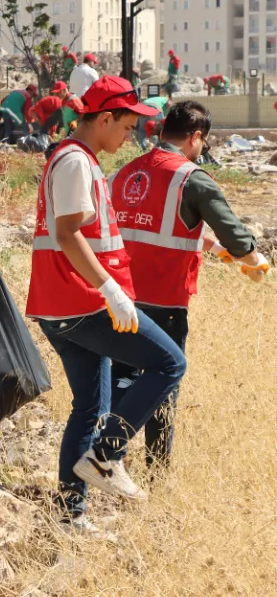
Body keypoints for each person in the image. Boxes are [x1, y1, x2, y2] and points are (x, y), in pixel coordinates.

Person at [25, 76, 188, 531]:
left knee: (88, 407)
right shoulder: (76, 161)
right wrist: (109, 289)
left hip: (62, 304)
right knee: (170, 364)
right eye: (127, 126)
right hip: (82, 302)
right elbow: (67, 233)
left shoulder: (76, 158)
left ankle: (69, 516)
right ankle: (106, 456)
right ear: (105, 118)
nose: (130, 136)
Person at [109, 101, 268, 470]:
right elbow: (237, 237)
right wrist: (253, 261)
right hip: (164, 301)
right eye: (203, 143)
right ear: (196, 137)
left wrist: (211, 248)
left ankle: (108, 455)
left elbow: (152, 229)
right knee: (164, 381)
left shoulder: (124, 173)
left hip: (119, 297)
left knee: (122, 377)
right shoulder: (190, 177)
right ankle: (152, 468)